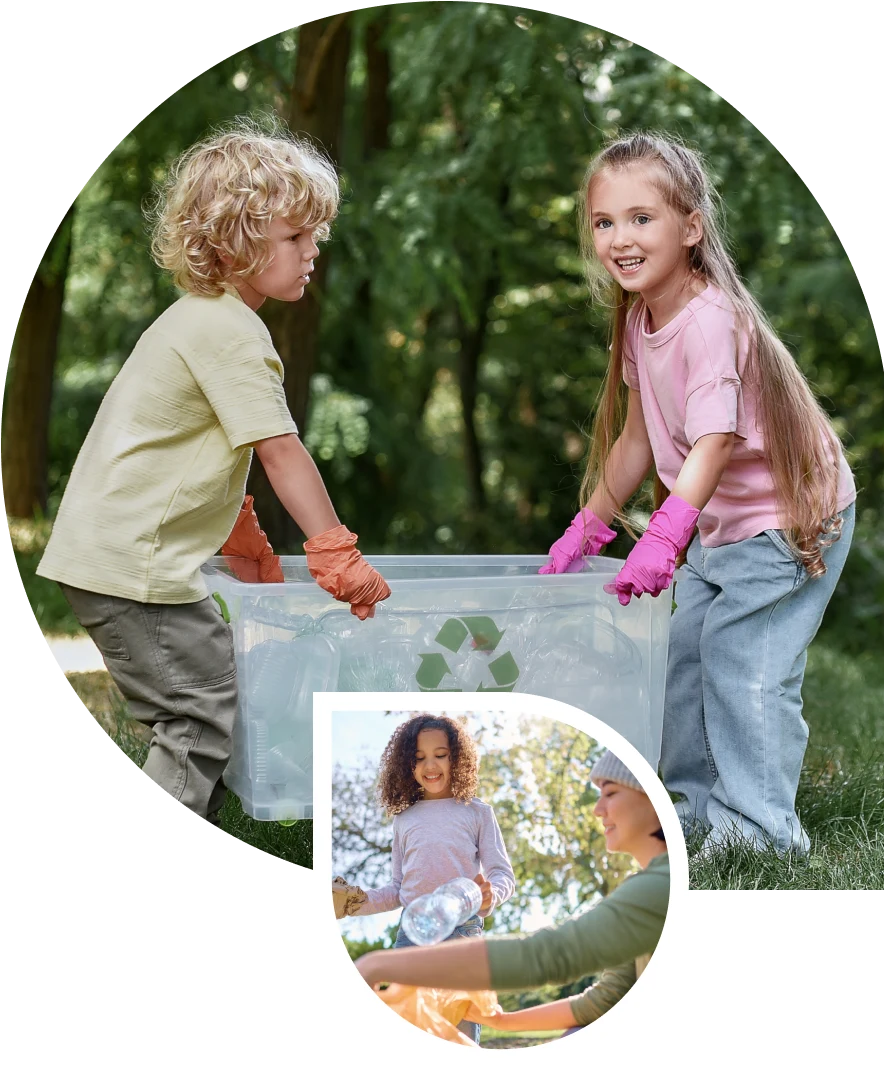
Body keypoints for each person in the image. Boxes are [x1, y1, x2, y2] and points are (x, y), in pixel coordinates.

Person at [37, 116, 391, 826]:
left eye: (313, 233)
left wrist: (240, 530)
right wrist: (333, 549)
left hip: (114, 555)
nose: (312, 249)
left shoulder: (200, 319)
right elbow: (280, 451)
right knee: (197, 715)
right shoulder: (231, 333)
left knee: (207, 683)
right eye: (294, 237)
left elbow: (181, 451)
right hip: (133, 568)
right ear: (233, 244)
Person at [539, 132, 856, 856]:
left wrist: (663, 534)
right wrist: (587, 527)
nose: (620, 238)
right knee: (680, 655)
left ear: (691, 227)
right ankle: (696, 807)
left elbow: (712, 442)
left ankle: (761, 831)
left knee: (745, 666)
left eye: (642, 218)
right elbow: (637, 441)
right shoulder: (641, 315)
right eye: (604, 222)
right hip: (721, 526)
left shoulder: (709, 321)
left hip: (787, 520)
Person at [353, 750, 669, 1041]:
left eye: (611, 793)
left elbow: (547, 953)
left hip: (462, 928)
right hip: (415, 931)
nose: (598, 809)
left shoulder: (661, 886)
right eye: (599, 795)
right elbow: (605, 1000)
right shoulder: (646, 886)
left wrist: (379, 964)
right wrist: (502, 1021)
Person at [334, 714, 515, 1044]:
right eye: (419, 758)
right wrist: (354, 904)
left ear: (457, 757)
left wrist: (492, 895)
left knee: (460, 1026)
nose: (430, 765)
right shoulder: (404, 820)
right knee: (407, 1024)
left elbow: (502, 875)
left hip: (463, 930)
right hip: (412, 933)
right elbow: (398, 890)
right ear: (407, 765)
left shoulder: (477, 812)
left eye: (440, 754)